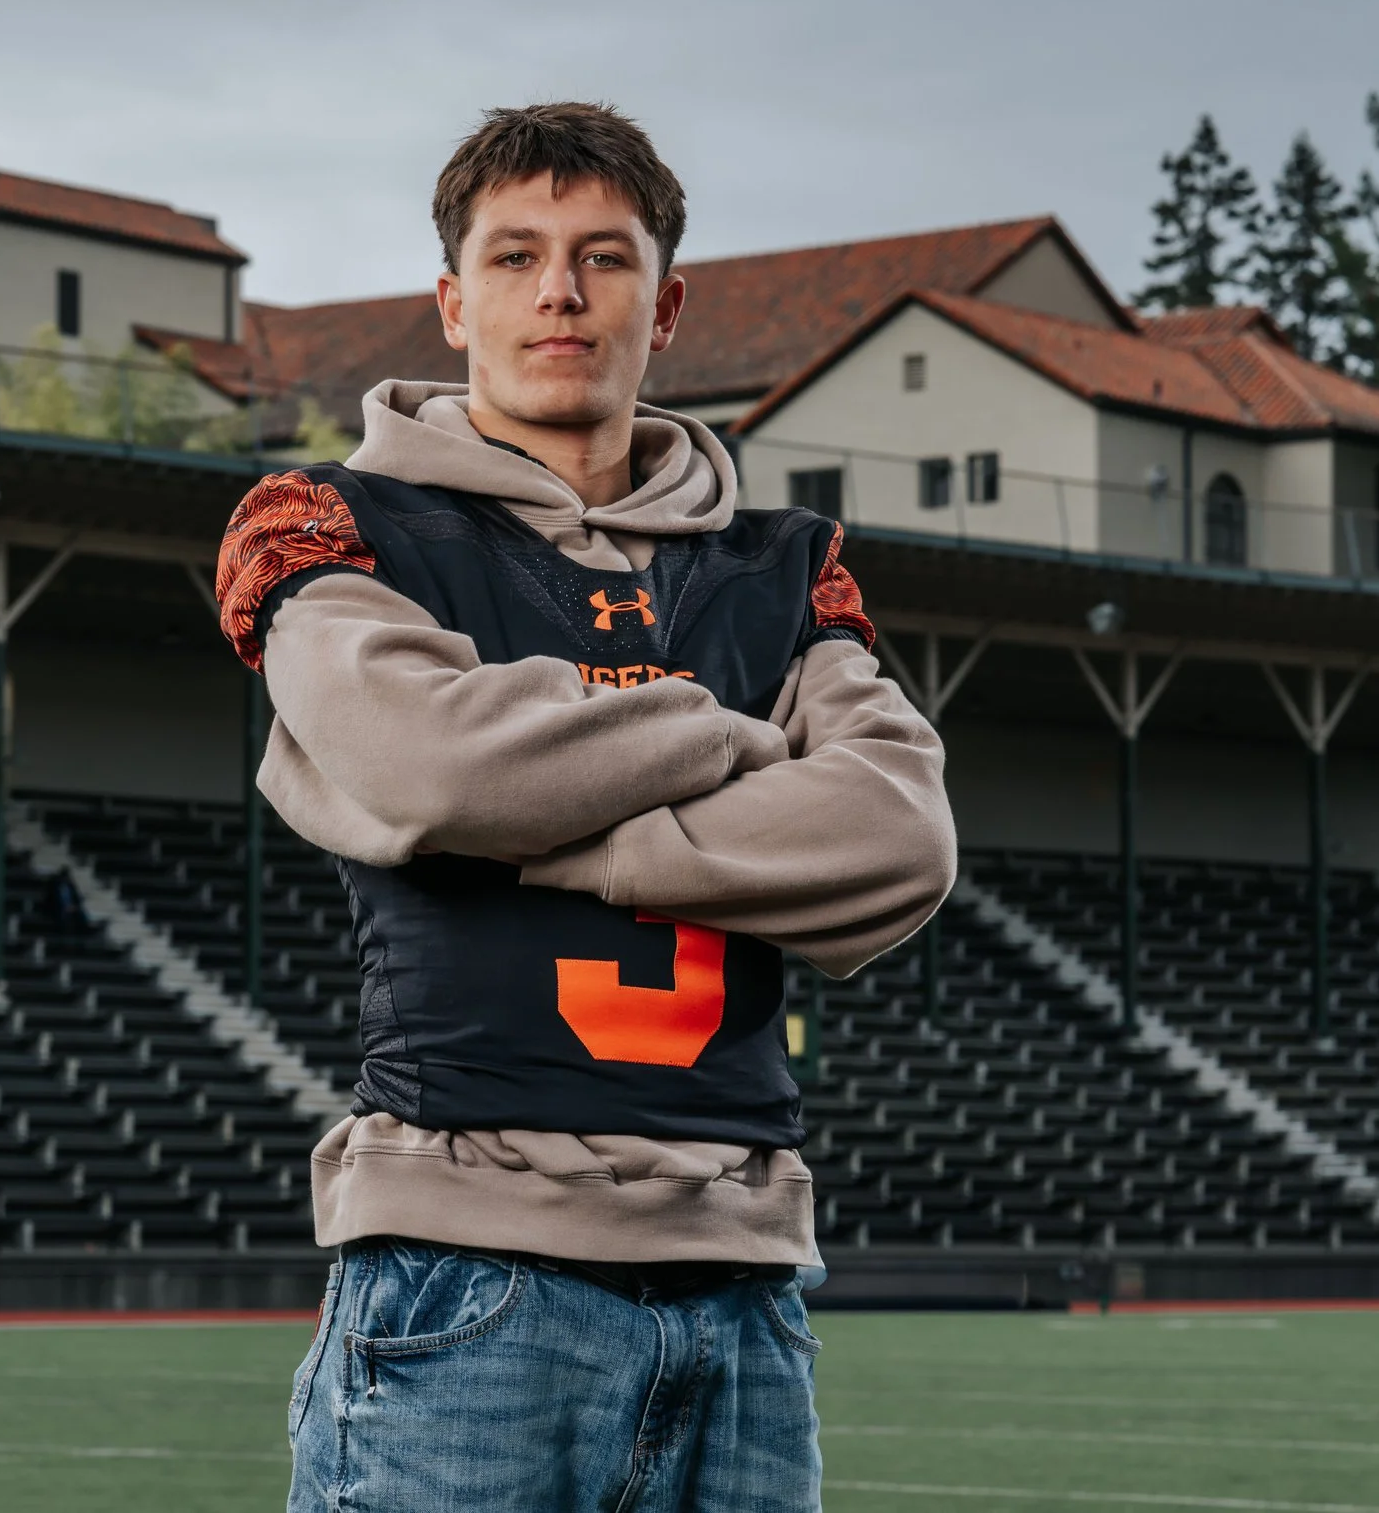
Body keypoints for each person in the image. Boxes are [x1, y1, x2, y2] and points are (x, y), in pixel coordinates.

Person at [214, 101, 955, 1512]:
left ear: (664, 303)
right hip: (463, 1277)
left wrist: (545, 829)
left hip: (743, 1290)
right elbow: (431, 768)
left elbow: (898, 844)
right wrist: (725, 734)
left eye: (602, 257)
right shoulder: (333, 523)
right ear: (451, 301)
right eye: (515, 257)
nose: (560, 291)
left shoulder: (781, 564)